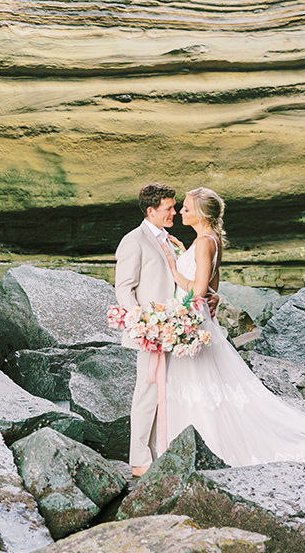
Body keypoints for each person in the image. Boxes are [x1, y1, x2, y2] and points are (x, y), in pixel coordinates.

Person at [159, 187, 305, 467]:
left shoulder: (203, 243)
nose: (181, 212)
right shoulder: (209, 240)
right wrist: (190, 262)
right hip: (199, 321)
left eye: (186, 207)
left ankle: (205, 447)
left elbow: (199, 290)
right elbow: (213, 283)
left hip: (195, 322)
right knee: (210, 387)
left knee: (199, 386)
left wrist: (175, 271)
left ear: (200, 213)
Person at [114, 183, 182, 477]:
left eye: (175, 207)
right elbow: (124, 288)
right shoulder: (134, 240)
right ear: (151, 211)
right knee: (146, 392)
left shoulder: (168, 239)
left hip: (172, 329)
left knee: (164, 392)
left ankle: (158, 450)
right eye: (169, 208)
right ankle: (139, 459)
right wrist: (143, 325)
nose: (175, 212)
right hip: (150, 332)